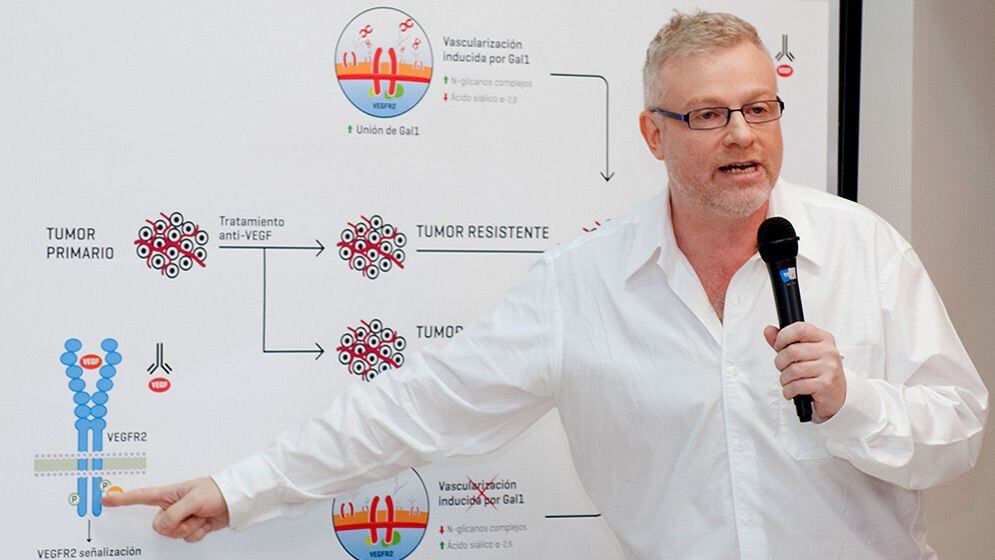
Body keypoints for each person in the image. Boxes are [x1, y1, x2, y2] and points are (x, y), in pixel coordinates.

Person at [103, 11, 988, 559]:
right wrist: (241, 488)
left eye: (758, 108)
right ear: (652, 133)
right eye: (708, 114)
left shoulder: (864, 250)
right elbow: (415, 407)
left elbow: (958, 433)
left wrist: (850, 403)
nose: (741, 135)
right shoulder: (583, 286)